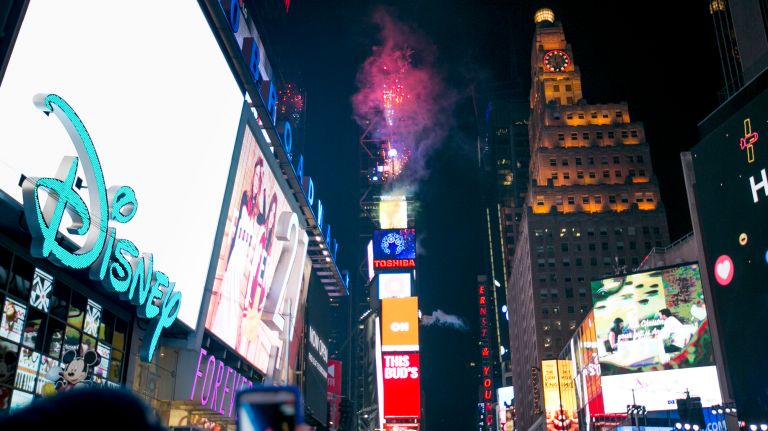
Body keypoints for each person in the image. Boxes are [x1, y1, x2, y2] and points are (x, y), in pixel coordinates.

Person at [209, 158, 265, 348]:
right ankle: (217, 332)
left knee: (234, 305)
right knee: (226, 296)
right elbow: (233, 233)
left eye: (260, 177)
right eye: (256, 175)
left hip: (243, 262)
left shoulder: (258, 211)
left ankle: (227, 340)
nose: (257, 180)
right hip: (235, 255)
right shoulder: (244, 198)